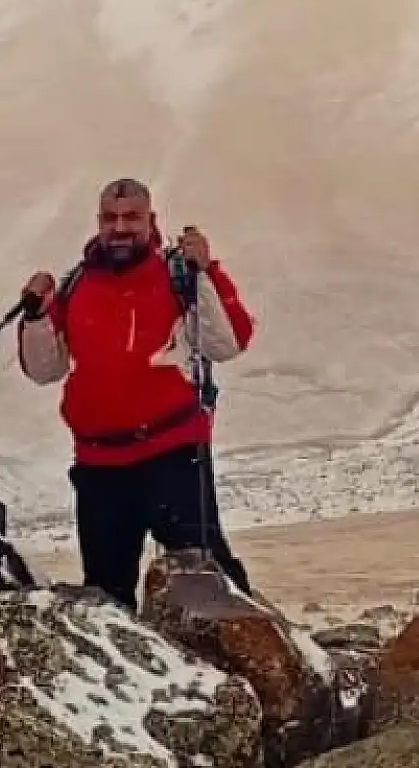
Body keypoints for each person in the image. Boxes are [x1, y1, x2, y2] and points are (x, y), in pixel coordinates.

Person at [16, 176, 256, 612]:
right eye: (111, 218)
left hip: (174, 456)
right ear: (98, 222)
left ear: (152, 221)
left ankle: (267, 666)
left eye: (131, 218)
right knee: (109, 600)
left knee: (211, 584)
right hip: (100, 468)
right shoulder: (76, 286)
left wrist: (205, 271)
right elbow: (43, 370)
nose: (120, 227)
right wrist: (35, 314)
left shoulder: (178, 274)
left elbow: (228, 342)